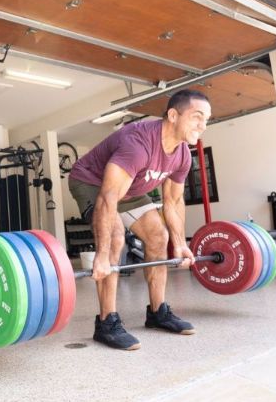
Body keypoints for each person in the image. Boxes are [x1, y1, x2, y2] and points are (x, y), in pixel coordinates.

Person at [68, 89, 211, 350]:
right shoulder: (138, 144)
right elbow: (108, 198)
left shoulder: (182, 155)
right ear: (173, 115)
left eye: (206, 119)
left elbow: (174, 201)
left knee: (159, 236)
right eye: (197, 117)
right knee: (115, 239)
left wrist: (180, 243)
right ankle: (106, 322)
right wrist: (101, 254)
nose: (203, 125)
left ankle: (158, 313)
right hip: (91, 181)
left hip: (131, 189)